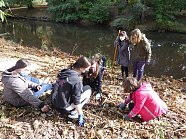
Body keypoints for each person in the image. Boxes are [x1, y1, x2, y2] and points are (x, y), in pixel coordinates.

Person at [51, 56, 92, 127]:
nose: (87, 71)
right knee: (88, 89)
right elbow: (76, 100)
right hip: (63, 108)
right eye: (86, 69)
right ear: (82, 68)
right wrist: (80, 114)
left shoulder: (65, 71)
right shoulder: (76, 80)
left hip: (54, 102)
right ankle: (73, 113)